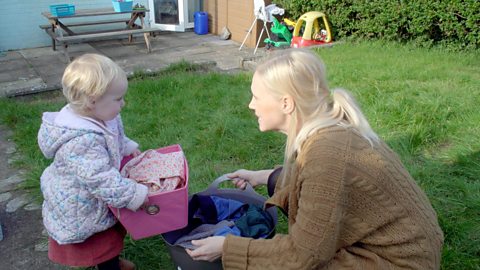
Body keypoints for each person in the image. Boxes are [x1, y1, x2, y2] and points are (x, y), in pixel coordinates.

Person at [186, 49, 444, 269]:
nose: (251, 105)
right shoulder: (328, 129)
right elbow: (312, 182)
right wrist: (264, 177)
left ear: (286, 103)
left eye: (256, 96)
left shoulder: (327, 156)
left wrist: (227, 247)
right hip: (405, 248)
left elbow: (302, 256)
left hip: (399, 263)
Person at [38, 53, 148, 270]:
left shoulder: (100, 115)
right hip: (80, 204)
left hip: (92, 196)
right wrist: (134, 195)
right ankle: (109, 266)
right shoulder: (81, 139)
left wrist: (126, 146)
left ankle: (113, 261)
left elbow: (114, 134)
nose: (123, 103)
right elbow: (100, 180)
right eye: (118, 99)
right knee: (100, 244)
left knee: (111, 235)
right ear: (92, 100)